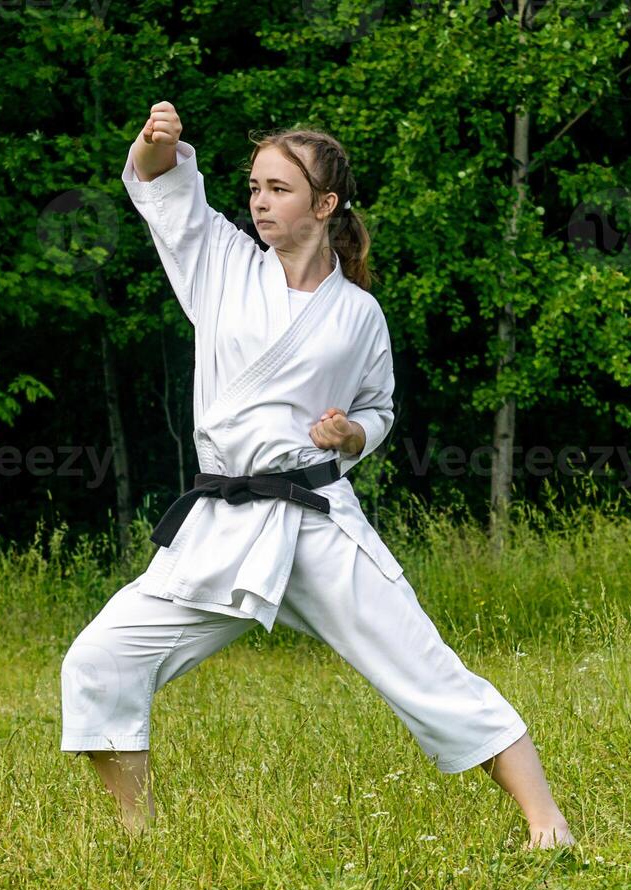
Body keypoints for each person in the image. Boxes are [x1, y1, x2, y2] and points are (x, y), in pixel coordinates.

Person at [60, 101, 574, 848]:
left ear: (325, 205)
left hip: (315, 518)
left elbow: (380, 409)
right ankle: (139, 837)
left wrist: (351, 433)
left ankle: (546, 824)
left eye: (280, 189)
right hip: (223, 521)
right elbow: (165, 190)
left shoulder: (358, 314)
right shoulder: (221, 265)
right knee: (101, 658)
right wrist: (154, 146)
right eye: (256, 187)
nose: (260, 202)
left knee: (423, 667)